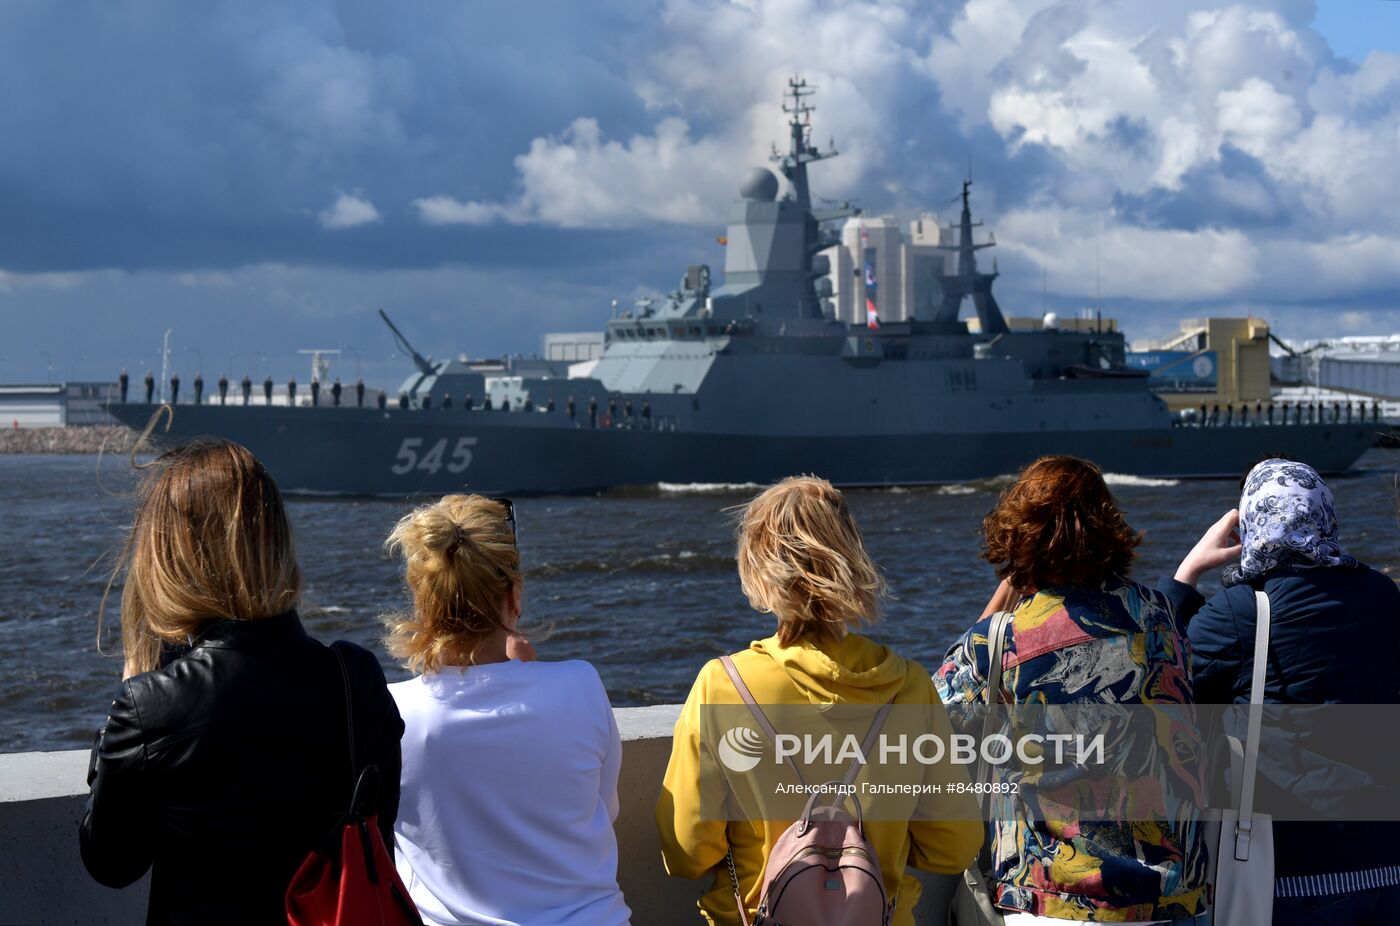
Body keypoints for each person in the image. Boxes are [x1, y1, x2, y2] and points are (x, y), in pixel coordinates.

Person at [80, 440, 403, 924]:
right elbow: (381, 823)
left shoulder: (154, 705)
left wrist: (121, 714)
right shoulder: (355, 678)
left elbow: (111, 862)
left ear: (174, 559)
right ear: (274, 540)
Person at [657, 476, 983, 925]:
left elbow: (688, 854)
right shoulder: (909, 687)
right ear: (852, 558)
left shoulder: (723, 686)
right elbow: (954, 846)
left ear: (757, 566)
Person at [936, 455, 1209, 923]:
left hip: (1053, 899)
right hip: (1166, 896)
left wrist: (1010, 585)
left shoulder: (1001, 640)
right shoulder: (1160, 617)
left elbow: (936, 716)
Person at [1164, 459, 1400, 925]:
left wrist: (1185, 574)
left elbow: (1161, 670)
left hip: (1289, 867)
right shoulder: (1383, 595)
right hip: (1388, 859)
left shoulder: (1243, 611)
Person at [384, 495, 631, 926]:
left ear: (423, 603)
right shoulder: (581, 684)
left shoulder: (393, 713)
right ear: (514, 596)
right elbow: (602, 810)